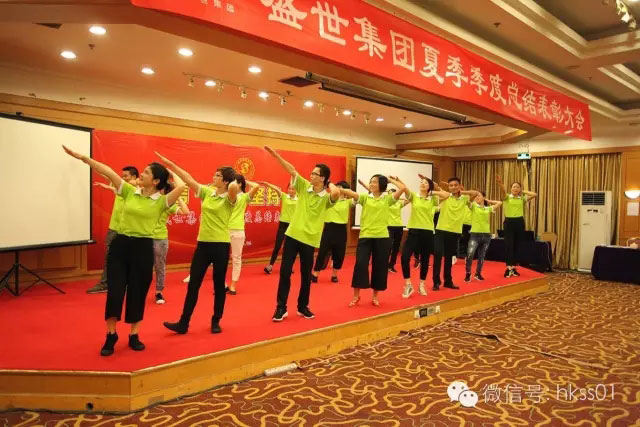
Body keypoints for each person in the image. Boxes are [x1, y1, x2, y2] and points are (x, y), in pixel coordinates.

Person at [63, 146, 185, 357]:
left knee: (137, 292)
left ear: (156, 181)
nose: (141, 174)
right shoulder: (129, 191)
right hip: (120, 246)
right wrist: (83, 158)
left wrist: (170, 167)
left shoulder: (162, 202)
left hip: (143, 249)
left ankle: (134, 335)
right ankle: (111, 335)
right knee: (115, 292)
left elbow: (181, 186)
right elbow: (107, 171)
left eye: (146, 172)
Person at [158, 152, 238, 335]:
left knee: (218, 285)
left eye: (218, 175)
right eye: (215, 174)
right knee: (193, 284)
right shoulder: (207, 192)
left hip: (220, 245)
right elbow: (188, 179)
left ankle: (216, 320)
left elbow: (234, 188)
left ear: (225, 181)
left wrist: (232, 180)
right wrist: (171, 166)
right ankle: (183, 323)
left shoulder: (230, 197)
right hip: (203, 245)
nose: (214, 177)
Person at [264, 146, 340, 322]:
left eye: (315, 174)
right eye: (311, 173)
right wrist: (276, 156)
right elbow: (291, 170)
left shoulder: (326, 198)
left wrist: (328, 183)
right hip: (292, 236)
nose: (310, 175)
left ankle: (302, 306)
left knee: (306, 276)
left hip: (310, 240)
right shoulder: (304, 186)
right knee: (285, 272)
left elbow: (336, 192)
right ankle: (281, 307)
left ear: (322, 178)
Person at [342, 175, 406, 307]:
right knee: (360, 264)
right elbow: (351, 193)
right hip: (365, 236)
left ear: (381, 185)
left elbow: (403, 188)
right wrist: (339, 189)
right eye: (371, 182)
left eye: (375, 182)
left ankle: (375, 296)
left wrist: (391, 180)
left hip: (382, 237)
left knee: (380, 267)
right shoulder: (365, 198)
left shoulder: (388, 199)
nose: (371, 184)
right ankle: (356, 296)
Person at [87, 166, 139, 294]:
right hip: (114, 228)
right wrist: (92, 165)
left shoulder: (136, 190)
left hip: (127, 230)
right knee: (109, 257)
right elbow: (108, 175)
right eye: (122, 176)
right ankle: (106, 283)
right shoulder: (120, 188)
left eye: (126, 176)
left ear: (134, 177)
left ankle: (123, 283)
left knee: (128, 259)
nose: (122, 178)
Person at [432, 177, 479, 290]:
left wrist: (460, 191)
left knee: (449, 258)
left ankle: (448, 281)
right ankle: (436, 282)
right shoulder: (446, 196)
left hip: (454, 231)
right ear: (448, 187)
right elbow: (436, 188)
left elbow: (475, 193)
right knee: (438, 255)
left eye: (455, 185)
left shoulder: (464, 198)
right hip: (441, 230)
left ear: (459, 186)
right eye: (451, 185)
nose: (453, 187)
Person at [151, 179, 190, 304]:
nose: (160, 189)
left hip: (160, 239)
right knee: (142, 266)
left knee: (159, 266)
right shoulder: (150, 199)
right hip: (145, 237)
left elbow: (186, 212)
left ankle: (159, 292)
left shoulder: (169, 205)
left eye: (163, 188)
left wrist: (178, 197)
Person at [400, 176, 439, 298]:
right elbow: (404, 188)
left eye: (425, 183)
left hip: (427, 232)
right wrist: (393, 181)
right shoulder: (414, 196)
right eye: (421, 182)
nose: (422, 184)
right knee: (405, 257)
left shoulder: (433, 199)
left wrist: (433, 190)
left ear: (429, 187)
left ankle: (422, 284)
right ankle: (408, 284)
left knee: (425, 260)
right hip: (414, 231)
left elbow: (447, 195)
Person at [496, 175, 537, 277]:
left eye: (517, 187)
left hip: (519, 222)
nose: (515, 188)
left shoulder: (522, 198)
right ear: (511, 189)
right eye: (514, 187)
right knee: (509, 245)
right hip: (509, 222)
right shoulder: (507, 197)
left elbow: (534, 194)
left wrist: (523, 191)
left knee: (517, 245)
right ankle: (508, 268)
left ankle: (514, 267)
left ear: (520, 189)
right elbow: (503, 191)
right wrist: (500, 183)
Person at [311, 180, 352, 283]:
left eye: (340, 187)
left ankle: (334, 275)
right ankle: (315, 273)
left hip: (341, 230)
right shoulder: (328, 198)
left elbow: (357, 197)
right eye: (337, 187)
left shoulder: (348, 202)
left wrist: (345, 191)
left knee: (339, 254)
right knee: (322, 252)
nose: (337, 189)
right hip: (329, 228)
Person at [226, 174, 260, 294]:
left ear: (240, 184)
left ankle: (233, 285)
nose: (231, 184)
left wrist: (246, 181)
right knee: (220, 258)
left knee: (236, 258)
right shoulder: (226, 195)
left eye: (235, 182)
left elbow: (256, 186)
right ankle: (222, 284)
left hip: (237, 230)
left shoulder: (245, 197)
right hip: (223, 229)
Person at [464, 192, 502, 282]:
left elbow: (500, 203)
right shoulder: (473, 206)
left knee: (482, 256)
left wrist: (488, 201)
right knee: (470, 254)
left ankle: (478, 273)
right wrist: (474, 195)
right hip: (475, 235)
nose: (477, 197)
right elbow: (467, 201)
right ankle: (468, 273)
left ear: (483, 197)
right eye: (476, 196)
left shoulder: (487, 208)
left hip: (486, 235)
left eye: (479, 196)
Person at [263, 182, 297, 274]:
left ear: (296, 190)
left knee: (290, 248)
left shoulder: (299, 199)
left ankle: (289, 266)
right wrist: (267, 184)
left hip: (293, 226)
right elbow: (276, 189)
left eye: (293, 189)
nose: (290, 190)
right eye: (289, 188)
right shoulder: (284, 196)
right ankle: (270, 266)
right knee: (277, 246)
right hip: (283, 224)